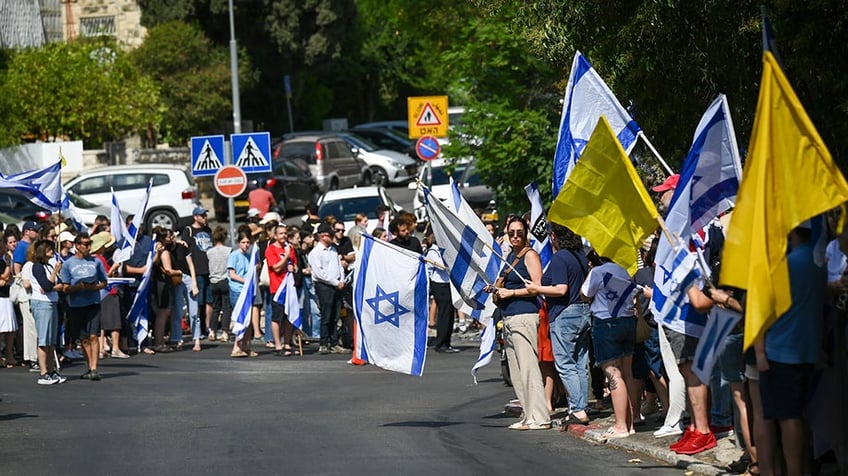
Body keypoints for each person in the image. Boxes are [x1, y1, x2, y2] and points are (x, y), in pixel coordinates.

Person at [526, 223, 592, 424]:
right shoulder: (580, 255)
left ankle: (579, 409)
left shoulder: (561, 257)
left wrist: (537, 289)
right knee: (581, 362)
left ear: (553, 236)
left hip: (565, 313)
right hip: (583, 310)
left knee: (565, 363)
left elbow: (561, 289)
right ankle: (581, 405)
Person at [490, 216, 550, 431]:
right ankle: (528, 414)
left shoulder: (530, 255)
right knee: (516, 371)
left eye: (520, 232)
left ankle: (540, 416)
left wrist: (512, 292)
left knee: (528, 368)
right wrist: (497, 291)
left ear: (526, 234)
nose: (516, 236)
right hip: (508, 316)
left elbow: (536, 287)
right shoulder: (510, 256)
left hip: (525, 316)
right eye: (512, 233)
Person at [580, 254, 639, 440]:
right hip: (628, 321)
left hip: (606, 322)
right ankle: (631, 422)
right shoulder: (627, 270)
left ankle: (621, 425)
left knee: (613, 374)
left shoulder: (598, 271)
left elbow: (584, 294)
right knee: (627, 373)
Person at [57, 232, 108, 381]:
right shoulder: (68, 264)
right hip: (76, 304)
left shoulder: (96, 262)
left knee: (94, 335)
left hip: (93, 303)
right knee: (84, 338)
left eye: (89, 244)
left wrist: (94, 287)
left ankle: (94, 368)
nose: (88, 247)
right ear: (77, 246)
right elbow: (65, 288)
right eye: (85, 244)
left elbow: (104, 282)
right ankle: (89, 365)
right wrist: (78, 286)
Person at [29, 239, 67, 384]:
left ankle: (51, 371)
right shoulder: (37, 267)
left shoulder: (47, 266)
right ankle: (44, 372)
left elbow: (58, 284)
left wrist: (54, 283)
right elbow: (47, 285)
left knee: (51, 341)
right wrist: (55, 275)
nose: (53, 252)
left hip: (52, 302)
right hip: (42, 304)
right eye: (50, 249)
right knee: (44, 340)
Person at [308, 223, 345, 355]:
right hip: (324, 286)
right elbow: (319, 273)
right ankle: (324, 343)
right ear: (323, 236)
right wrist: (335, 282)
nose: (333, 237)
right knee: (326, 314)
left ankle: (334, 342)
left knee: (335, 315)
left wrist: (342, 279)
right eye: (330, 235)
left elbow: (339, 266)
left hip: (336, 285)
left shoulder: (333, 250)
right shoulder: (315, 253)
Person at [266, 224, 298, 356]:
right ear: (275, 236)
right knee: (277, 317)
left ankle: (287, 342)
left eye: (285, 233)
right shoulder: (271, 249)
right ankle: (278, 345)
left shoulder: (290, 248)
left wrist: (294, 268)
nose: (284, 236)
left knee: (289, 317)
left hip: (289, 288)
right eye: (281, 234)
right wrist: (286, 256)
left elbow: (295, 265)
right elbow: (276, 268)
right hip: (277, 288)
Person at [183, 206, 214, 340]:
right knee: (199, 302)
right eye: (202, 216)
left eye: (205, 215)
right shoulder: (188, 230)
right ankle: (198, 328)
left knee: (209, 300)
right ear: (195, 217)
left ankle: (208, 327)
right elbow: (186, 250)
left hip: (209, 269)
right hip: (197, 270)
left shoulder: (208, 230)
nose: (205, 218)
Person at [424, 232, 457, 353]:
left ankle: (447, 342)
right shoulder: (433, 251)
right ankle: (441, 343)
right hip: (440, 284)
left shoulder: (444, 250)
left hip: (448, 283)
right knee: (444, 314)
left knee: (450, 313)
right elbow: (442, 266)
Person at [228, 230, 259, 358]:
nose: (246, 245)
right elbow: (232, 274)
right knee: (241, 318)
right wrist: (245, 281)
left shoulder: (248, 256)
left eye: (248, 242)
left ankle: (245, 346)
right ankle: (236, 346)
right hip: (238, 290)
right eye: (243, 242)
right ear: (238, 243)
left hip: (247, 291)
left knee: (248, 320)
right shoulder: (234, 255)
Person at [207, 226, 232, 343]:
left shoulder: (209, 252)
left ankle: (212, 331)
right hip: (224, 279)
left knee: (216, 307)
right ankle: (225, 332)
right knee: (226, 307)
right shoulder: (229, 250)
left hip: (213, 281)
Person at [1, 234, 19, 368]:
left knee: (10, 328)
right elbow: (4, 276)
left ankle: (9, 355)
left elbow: (6, 278)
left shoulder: (7, 258)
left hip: (7, 295)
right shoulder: (6, 259)